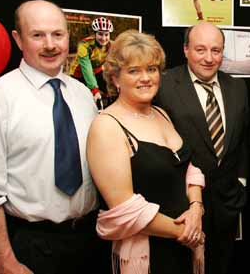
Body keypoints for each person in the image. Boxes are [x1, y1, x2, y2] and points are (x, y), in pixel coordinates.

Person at [0, 0, 108, 274]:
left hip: (90, 241)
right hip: (31, 248)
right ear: (18, 39)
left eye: (57, 34)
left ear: (68, 36)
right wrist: (3, 261)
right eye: (37, 35)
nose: (50, 44)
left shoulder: (82, 94)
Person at [87, 29, 206, 274]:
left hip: (182, 247)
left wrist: (196, 208)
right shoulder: (107, 126)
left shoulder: (161, 113)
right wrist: (188, 232)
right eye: (134, 71)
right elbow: (125, 208)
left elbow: (188, 167)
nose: (146, 78)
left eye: (151, 69)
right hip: (148, 253)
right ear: (116, 78)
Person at [155, 21, 248, 274]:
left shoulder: (237, 87)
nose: (209, 58)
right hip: (180, 208)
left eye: (216, 51)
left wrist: (240, 182)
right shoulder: (163, 85)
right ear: (185, 49)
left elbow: (243, 140)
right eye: (200, 49)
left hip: (227, 205)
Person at [68, 16, 114, 108]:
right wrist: (94, 89)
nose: (104, 38)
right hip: (79, 73)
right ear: (95, 34)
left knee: (111, 90)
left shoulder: (111, 45)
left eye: (106, 35)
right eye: (100, 34)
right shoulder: (84, 45)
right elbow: (86, 68)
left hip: (97, 71)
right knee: (83, 98)